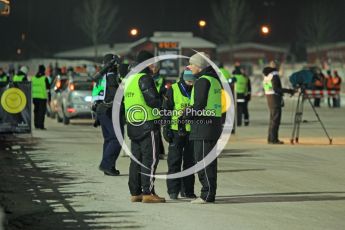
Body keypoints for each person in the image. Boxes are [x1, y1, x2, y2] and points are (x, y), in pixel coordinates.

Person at [124, 50, 165, 203]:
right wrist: (162, 98)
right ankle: (148, 192)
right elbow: (153, 100)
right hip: (148, 125)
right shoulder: (145, 78)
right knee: (150, 159)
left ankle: (135, 193)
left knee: (136, 159)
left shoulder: (129, 79)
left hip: (133, 124)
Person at [186, 52, 222, 204]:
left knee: (202, 161)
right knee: (209, 161)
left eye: (191, 64)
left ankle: (206, 194)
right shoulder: (214, 80)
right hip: (212, 124)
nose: (189, 67)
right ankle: (209, 192)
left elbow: (199, 105)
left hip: (203, 126)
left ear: (199, 66)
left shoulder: (202, 81)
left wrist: (186, 116)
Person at [163, 68, 196, 200]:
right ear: (183, 77)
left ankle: (187, 190)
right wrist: (166, 127)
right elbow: (166, 109)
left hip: (192, 131)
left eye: (192, 79)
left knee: (190, 162)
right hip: (176, 130)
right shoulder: (174, 89)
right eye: (188, 79)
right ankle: (173, 190)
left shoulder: (196, 88)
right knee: (174, 161)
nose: (190, 82)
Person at [92, 53, 123, 176]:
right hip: (110, 110)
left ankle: (109, 167)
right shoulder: (112, 78)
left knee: (109, 139)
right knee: (117, 139)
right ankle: (106, 165)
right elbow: (115, 95)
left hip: (101, 109)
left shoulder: (101, 77)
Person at [263, 66, 294, 144]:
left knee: (272, 120)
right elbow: (276, 89)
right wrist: (289, 91)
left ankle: (270, 138)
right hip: (275, 99)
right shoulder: (274, 76)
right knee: (275, 120)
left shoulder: (267, 76)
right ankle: (274, 139)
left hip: (269, 98)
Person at [152, 63, 166, 160]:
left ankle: (160, 151)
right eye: (153, 67)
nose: (154, 69)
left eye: (156, 67)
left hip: (158, 106)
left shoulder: (161, 79)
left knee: (156, 130)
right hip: (148, 105)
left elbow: (163, 91)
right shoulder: (146, 77)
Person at [31, 65, 50, 130]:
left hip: (35, 97)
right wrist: (49, 97)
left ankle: (36, 125)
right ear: (44, 70)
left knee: (36, 111)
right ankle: (41, 125)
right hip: (42, 98)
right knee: (41, 112)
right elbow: (48, 89)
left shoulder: (33, 78)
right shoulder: (45, 78)